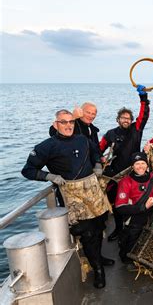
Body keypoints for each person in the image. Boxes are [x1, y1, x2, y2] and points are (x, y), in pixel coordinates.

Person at [22, 109, 113, 289]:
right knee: (86, 233)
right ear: (55, 124)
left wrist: (97, 165)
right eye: (63, 122)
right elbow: (28, 170)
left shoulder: (82, 139)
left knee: (100, 225)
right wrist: (50, 177)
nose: (68, 125)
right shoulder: (46, 146)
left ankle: (99, 256)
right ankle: (98, 270)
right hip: (72, 195)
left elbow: (95, 151)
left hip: (93, 191)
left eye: (71, 122)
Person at [99, 85, 150, 241]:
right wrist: (99, 159)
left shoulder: (137, 129)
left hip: (133, 172)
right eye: (123, 118)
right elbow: (98, 149)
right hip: (115, 174)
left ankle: (136, 228)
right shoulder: (110, 134)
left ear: (132, 120)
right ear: (118, 119)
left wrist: (143, 98)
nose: (126, 120)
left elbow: (144, 115)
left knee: (136, 200)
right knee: (117, 203)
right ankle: (118, 228)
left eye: (128, 118)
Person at [115, 152, 153, 263]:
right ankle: (128, 259)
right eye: (137, 164)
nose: (140, 166)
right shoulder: (125, 182)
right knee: (131, 240)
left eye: (143, 163)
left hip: (151, 214)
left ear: (147, 165)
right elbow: (120, 207)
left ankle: (145, 255)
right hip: (133, 216)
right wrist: (143, 207)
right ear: (132, 166)